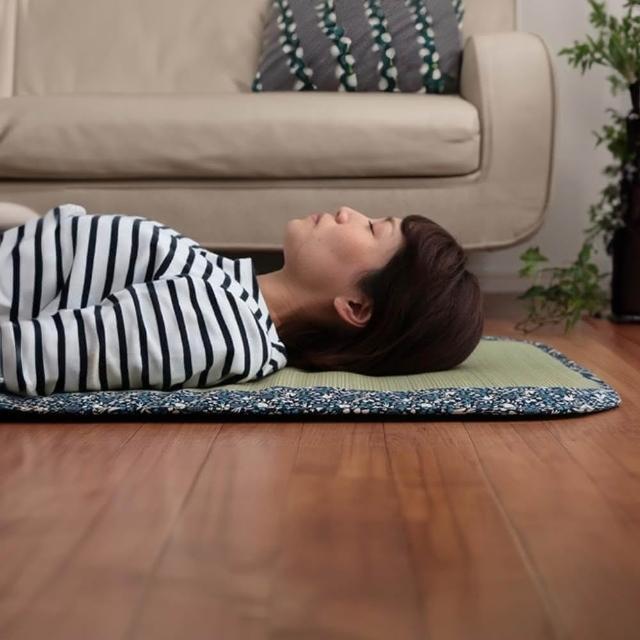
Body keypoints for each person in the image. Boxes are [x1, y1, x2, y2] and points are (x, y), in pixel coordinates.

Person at [0, 203, 484, 397]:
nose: (347, 211)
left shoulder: (219, 326)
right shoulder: (228, 293)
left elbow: (29, 356)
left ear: (356, 306)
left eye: (373, 228)